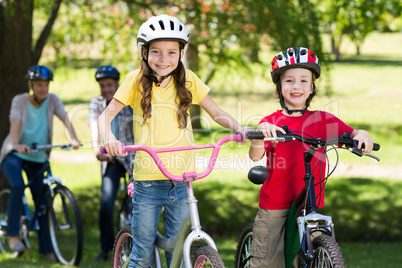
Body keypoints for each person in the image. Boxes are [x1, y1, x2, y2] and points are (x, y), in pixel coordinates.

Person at [98, 14, 252, 267]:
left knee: (179, 254)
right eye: (156, 52)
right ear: (145, 52)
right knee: (142, 255)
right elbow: (105, 117)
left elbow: (216, 113)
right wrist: (111, 139)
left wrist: (241, 128)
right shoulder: (135, 80)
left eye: (171, 52)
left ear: (181, 53)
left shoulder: (188, 79)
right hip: (148, 181)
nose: (163, 59)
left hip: (183, 179)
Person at [248, 47, 374, 267]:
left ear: (312, 87)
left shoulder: (322, 121)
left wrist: (362, 135)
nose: (296, 86)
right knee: (266, 262)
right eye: (289, 80)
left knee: (312, 256)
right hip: (275, 205)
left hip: (309, 204)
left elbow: (352, 133)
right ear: (278, 88)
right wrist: (260, 135)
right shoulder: (270, 122)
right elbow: (255, 155)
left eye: (304, 81)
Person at [0, 65, 80, 258]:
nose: (43, 89)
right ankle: (12, 235)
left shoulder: (52, 100)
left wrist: (74, 138)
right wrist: (17, 144)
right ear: (31, 85)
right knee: (18, 186)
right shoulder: (19, 101)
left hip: (37, 157)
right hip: (14, 154)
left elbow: (64, 118)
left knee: (43, 203)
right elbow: (15, 123)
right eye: (38, 85)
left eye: (46, 85)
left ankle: (47, 249)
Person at [89, 65, 135, 262]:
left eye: (109, 85)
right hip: (110, 158)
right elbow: (94, 126)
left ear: (117, 84)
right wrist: (96, 149)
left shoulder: (129, 101)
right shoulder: (97, 103)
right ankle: (106, 248)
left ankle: (135, 247)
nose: (106, 89)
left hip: (132, 156)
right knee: (106, 201)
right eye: (102, 86)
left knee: (138, 201)